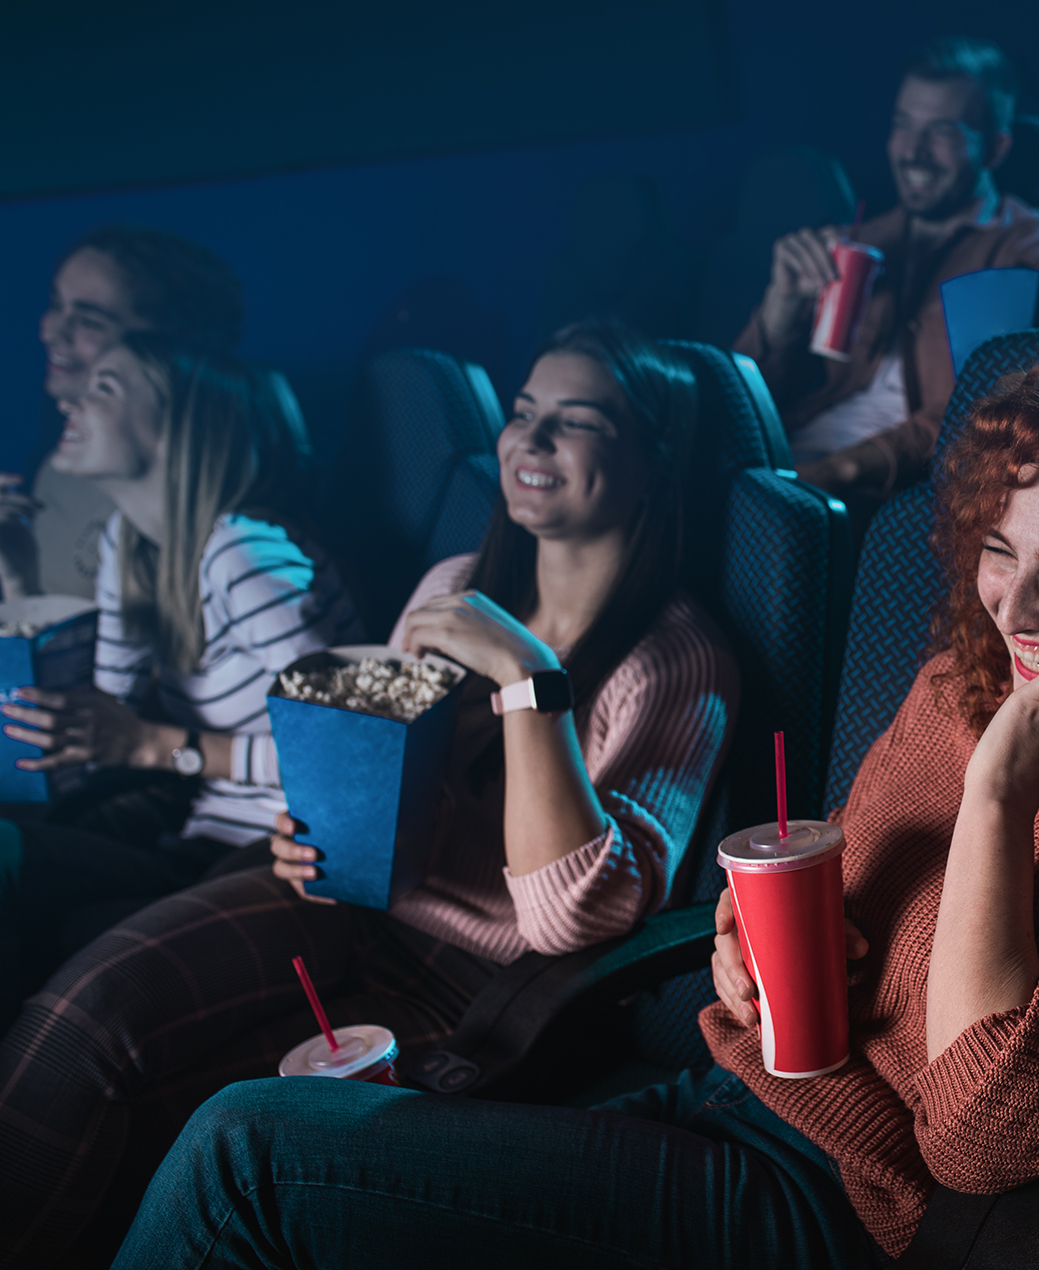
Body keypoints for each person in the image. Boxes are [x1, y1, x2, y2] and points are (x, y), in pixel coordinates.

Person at [110, 306, 1039, 1270]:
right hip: (739, 1089)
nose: (1015, 608)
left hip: (836, 1202)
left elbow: (977, 1145)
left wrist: (996, 803)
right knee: (262, 1144)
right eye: (997, 552)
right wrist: (740, 952)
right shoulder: (957, 680)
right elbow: (857, 913)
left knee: (244, 1156)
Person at [0, 323, 740, 1267]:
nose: (530, 442)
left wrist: (528, 679)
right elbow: (368, 777)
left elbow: (570, 917)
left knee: (165, 1132)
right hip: (336, 900)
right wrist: (307, 829)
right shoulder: (451, 586)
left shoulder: (677, 658)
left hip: (472, 979)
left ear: (649, 467)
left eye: (575, 422)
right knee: (76, 1024)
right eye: (522, 415)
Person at [0, 334, 356, 1025]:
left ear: (179, 426)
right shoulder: (127, 541)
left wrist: (150, 746)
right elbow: (107, 715)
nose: (69, 397)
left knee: (72, 949)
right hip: (197, 836)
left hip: (279, 855)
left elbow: (342, 751)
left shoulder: (243, 554)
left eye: (104, 387)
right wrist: (12, 577)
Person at [734, 36, 1039, 505]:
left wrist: (837, 469)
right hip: (795, 449)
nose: (912, 152)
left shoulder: (1025, 246)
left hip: (903, 488)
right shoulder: (863, 240)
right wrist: (779, 309)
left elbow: (982, 410)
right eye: (902, 125)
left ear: (994, 149)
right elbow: (746, 404)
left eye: (943, 132)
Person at [0, 225, 245, 603]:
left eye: (90, 321)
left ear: (165, 351)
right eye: (55, 305)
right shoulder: (57, 469)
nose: (51, 332)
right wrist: (19, 585)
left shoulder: (225, 518)